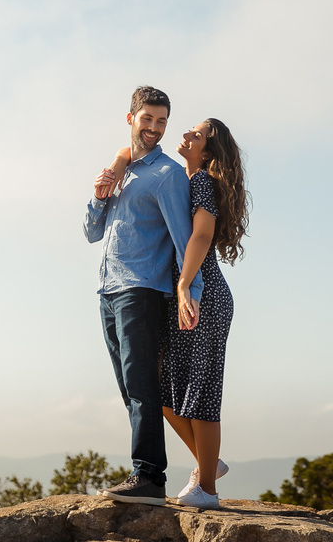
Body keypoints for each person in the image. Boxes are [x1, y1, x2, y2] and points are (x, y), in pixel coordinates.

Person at [104, 118, 249, 509]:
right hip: (179, 298)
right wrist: (118, 166)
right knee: (166, 394)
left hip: (204, 297)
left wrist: (186, 285)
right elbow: (126, 151)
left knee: (200, 394)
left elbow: (201, 235)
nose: (186, 135)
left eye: (197, 135)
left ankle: (208, 491)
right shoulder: (184, 180)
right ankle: (208, 466)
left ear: (208, 151)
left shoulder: (201, 181)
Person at [83, 86, 199, 506]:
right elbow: (92, 232)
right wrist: (98, 197)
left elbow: (187, 242)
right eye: (147, 118)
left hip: (143, 290)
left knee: (142, 386)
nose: (154, 128)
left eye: (161, 121)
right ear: (130, 118)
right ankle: (145, 471)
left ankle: (149, 476)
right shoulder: (121, 172)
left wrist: (192, 291)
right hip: (108, 290)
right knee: (127, 387)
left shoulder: (167, 175)